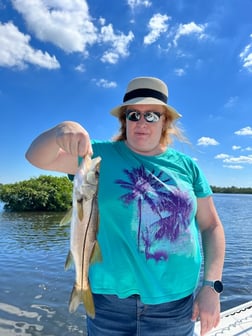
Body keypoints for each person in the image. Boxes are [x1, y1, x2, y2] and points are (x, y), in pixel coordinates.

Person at [26, 76, 225, 336]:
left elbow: (211, 226)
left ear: (165, 120)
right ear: (124, 120)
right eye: (133, 115)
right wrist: (59, 131)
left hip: (175, 306)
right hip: (109, 305)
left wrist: (211, 287)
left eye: (152, 115)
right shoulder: (97, 156)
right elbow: (36, 157)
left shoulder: (188, 167)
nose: (141, 122)